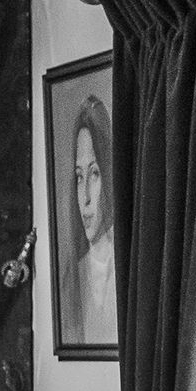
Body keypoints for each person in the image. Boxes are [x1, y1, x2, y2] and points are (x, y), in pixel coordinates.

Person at [66, 93, 117, 347]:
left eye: (94, 174)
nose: (84, 196)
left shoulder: (129, 269)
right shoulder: (75, 275)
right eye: (79, 177)